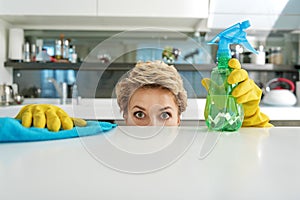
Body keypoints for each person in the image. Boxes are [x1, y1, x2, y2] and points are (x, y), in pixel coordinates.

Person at [15, 59, 272, 130]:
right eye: (139, 114)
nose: (153, 127)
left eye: (165, 114)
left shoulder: (198, 152)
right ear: (123, 115)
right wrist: (41, 129)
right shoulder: (105, 138)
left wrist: (249, 121)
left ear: (179, 118)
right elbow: (75, 132)